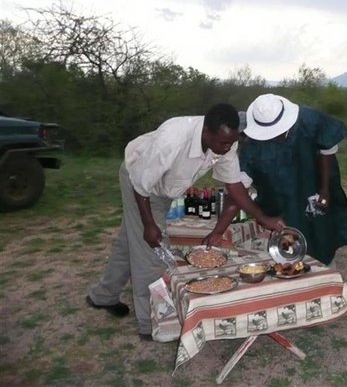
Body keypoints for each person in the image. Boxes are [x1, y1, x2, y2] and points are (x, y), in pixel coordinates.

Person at [86, 104, 284, 341]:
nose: (227, 148)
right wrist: (150, 225)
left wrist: (262, 218)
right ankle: (151, 324)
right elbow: (140, 186)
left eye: (231, 143)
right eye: (223, 143)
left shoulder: (225, 141)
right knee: (153, 252)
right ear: (207, 132)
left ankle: (103, 295)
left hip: (164, 188)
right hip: (139, 182)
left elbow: (234, 186)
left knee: (130, 241)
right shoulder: (171, 140)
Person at [222, 93, 347, 265]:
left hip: (312, 187)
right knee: (286, 245)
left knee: (320, 237)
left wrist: (325, 188)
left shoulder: (310, 120)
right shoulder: (252, 145)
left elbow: (328, 149)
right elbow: (239, 186)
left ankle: (324, 274)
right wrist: (258, 217)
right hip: (277, 199)